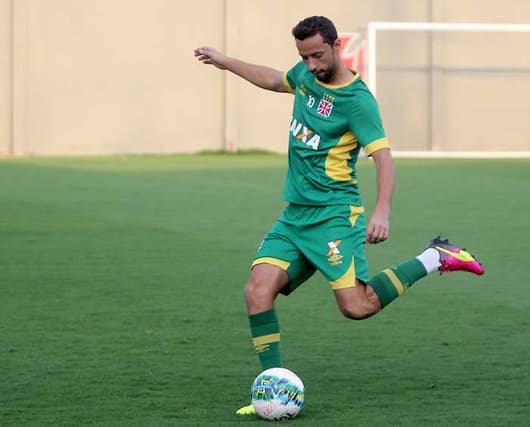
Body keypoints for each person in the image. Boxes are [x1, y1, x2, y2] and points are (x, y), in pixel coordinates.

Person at [194, 15, 484, 416]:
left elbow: (383, 157)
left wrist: (381, 211)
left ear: (334, 46)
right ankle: (273, 390)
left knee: (357, 306)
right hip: (295, 216)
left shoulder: (358, 101)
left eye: (316, 55)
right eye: (304, 57)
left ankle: (435, 257)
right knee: (257, 291)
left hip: (334, 217)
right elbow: (275, 79)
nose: (310, 65)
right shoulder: (306, 74)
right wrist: (226, 61)